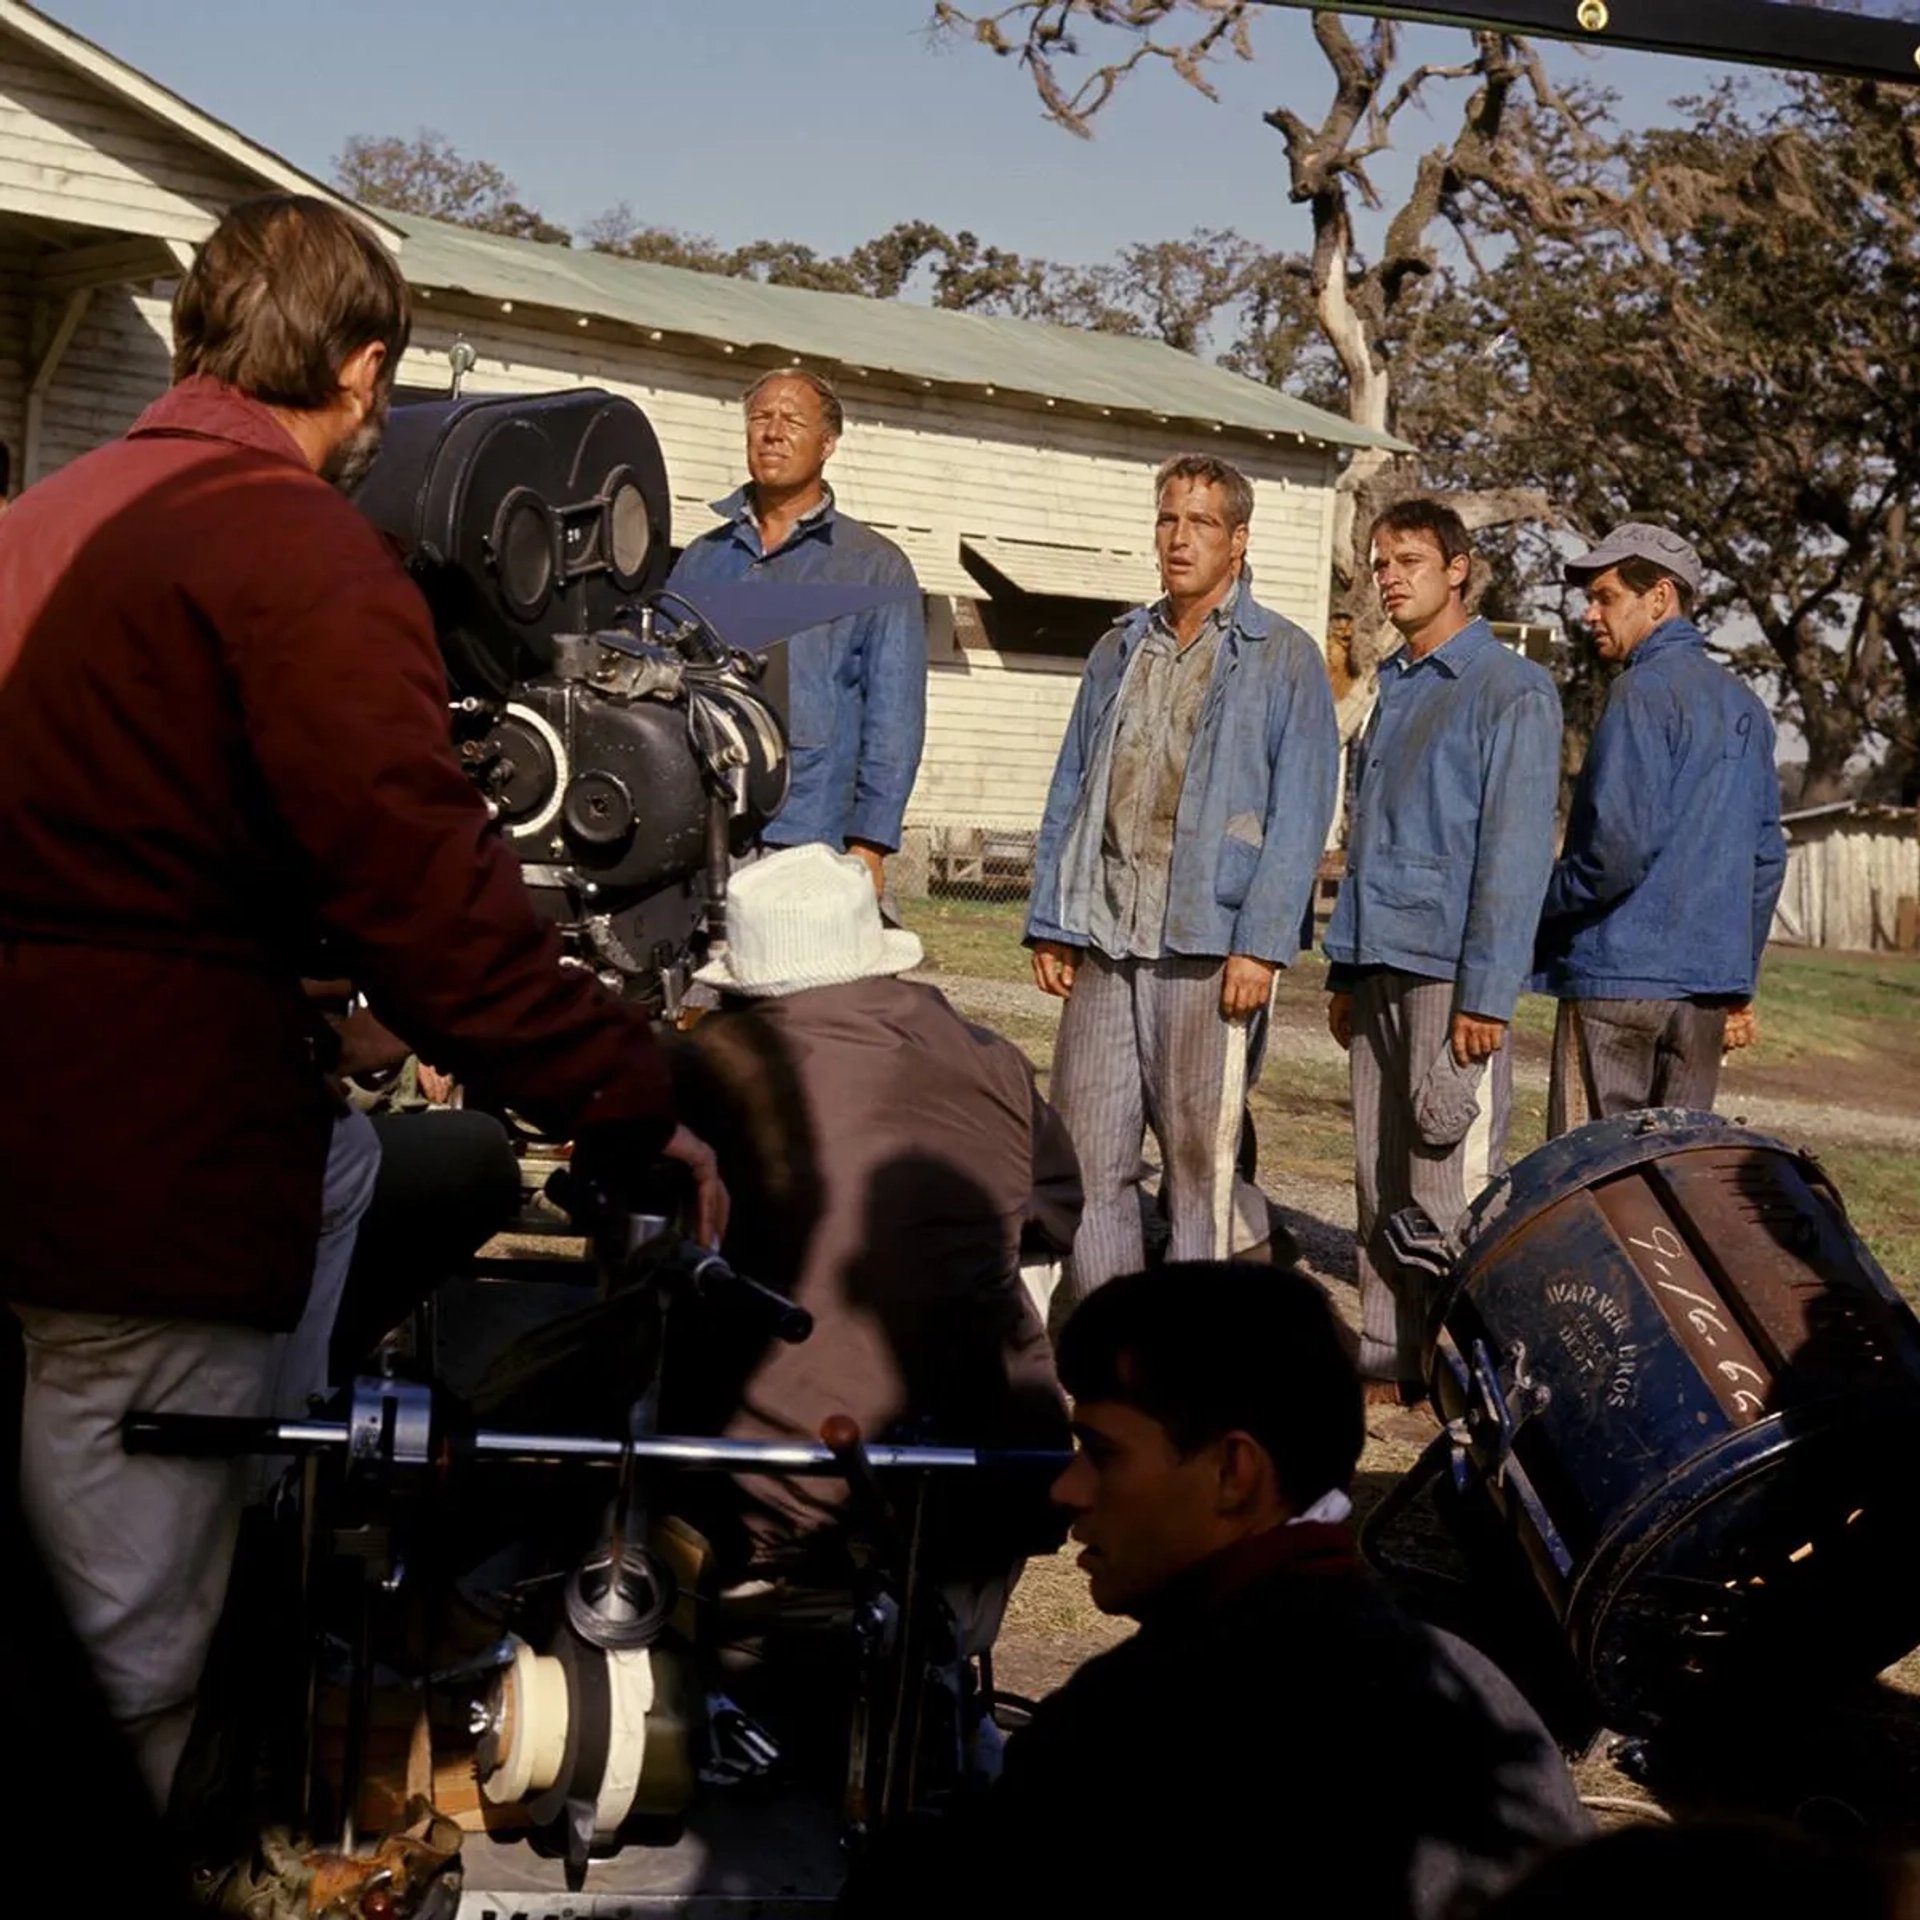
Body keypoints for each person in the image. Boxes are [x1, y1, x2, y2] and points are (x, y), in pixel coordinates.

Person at [0, 195, 723, 1808]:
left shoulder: (43, 521)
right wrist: (627, 1094)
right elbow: (431, 901)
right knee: (121, 1664)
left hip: (60, 1137)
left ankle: (280, 1504)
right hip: (149, 1176)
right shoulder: (295, 552)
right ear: (363, 368)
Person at [839, 1262, 1589, 1918]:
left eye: (1101, 1453)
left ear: (1235, 1473)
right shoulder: (1482, 1690)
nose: (1067, 1488)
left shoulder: (1136, 1725)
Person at [661, 842, 1078, 1599]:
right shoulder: (994, 1059)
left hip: (761, 1491)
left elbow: (615, 1198)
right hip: (989, 1472)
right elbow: (1058, 1211)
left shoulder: (701, 1065)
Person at [1025, 455, 1339, 1326]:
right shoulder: (1120, 647)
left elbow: (1301, 810)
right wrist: (1053, 918)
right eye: (1169, 519)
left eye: (1200, 523)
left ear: (1238, 541)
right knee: (1087, 1154)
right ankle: (1118, 1340)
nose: (1179, 538)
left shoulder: (1282, 657)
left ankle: (1194, 1354)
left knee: (1201, 1165)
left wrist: (1262, 942)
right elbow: (1072, 786)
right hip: (1106, 935)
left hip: (1210, 945)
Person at [1324, 499, 1562, 1407]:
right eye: (1382, 563)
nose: (1390, 577)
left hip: (1450, 976)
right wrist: (1345, 968)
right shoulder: (1399, 683)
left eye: (1410, 560)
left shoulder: (1509, 688)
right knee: (1376, 1173)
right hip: (1379, 957)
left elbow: (1511, 855)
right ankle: (1390, 1356)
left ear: (1459, 568)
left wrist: (1488, 996)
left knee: (1446, 1171)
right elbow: (1369, 836)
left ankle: (1466, 1373)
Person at [1534, 523, 1788, 1136]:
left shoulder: (1640, 690)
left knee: (1591, 1175)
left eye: (1606, 597)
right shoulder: (1746, 706)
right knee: (1673, 1179)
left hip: (1619, 979)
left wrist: (1541, 902)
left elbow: (1615, 851)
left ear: (1660, 598)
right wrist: (1735, 981)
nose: (1590, 614)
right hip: (1702, 993)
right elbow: (1766, 860)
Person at [667, 369, 926, 899]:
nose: (772, 432)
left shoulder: (874, 567)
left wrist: (870, 844)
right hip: (703, 832)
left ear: (828, 444)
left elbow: (894, 720)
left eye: (792, 420)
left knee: (812, 982)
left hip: (812, 840)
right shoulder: (701, 559)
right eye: (761, 418)